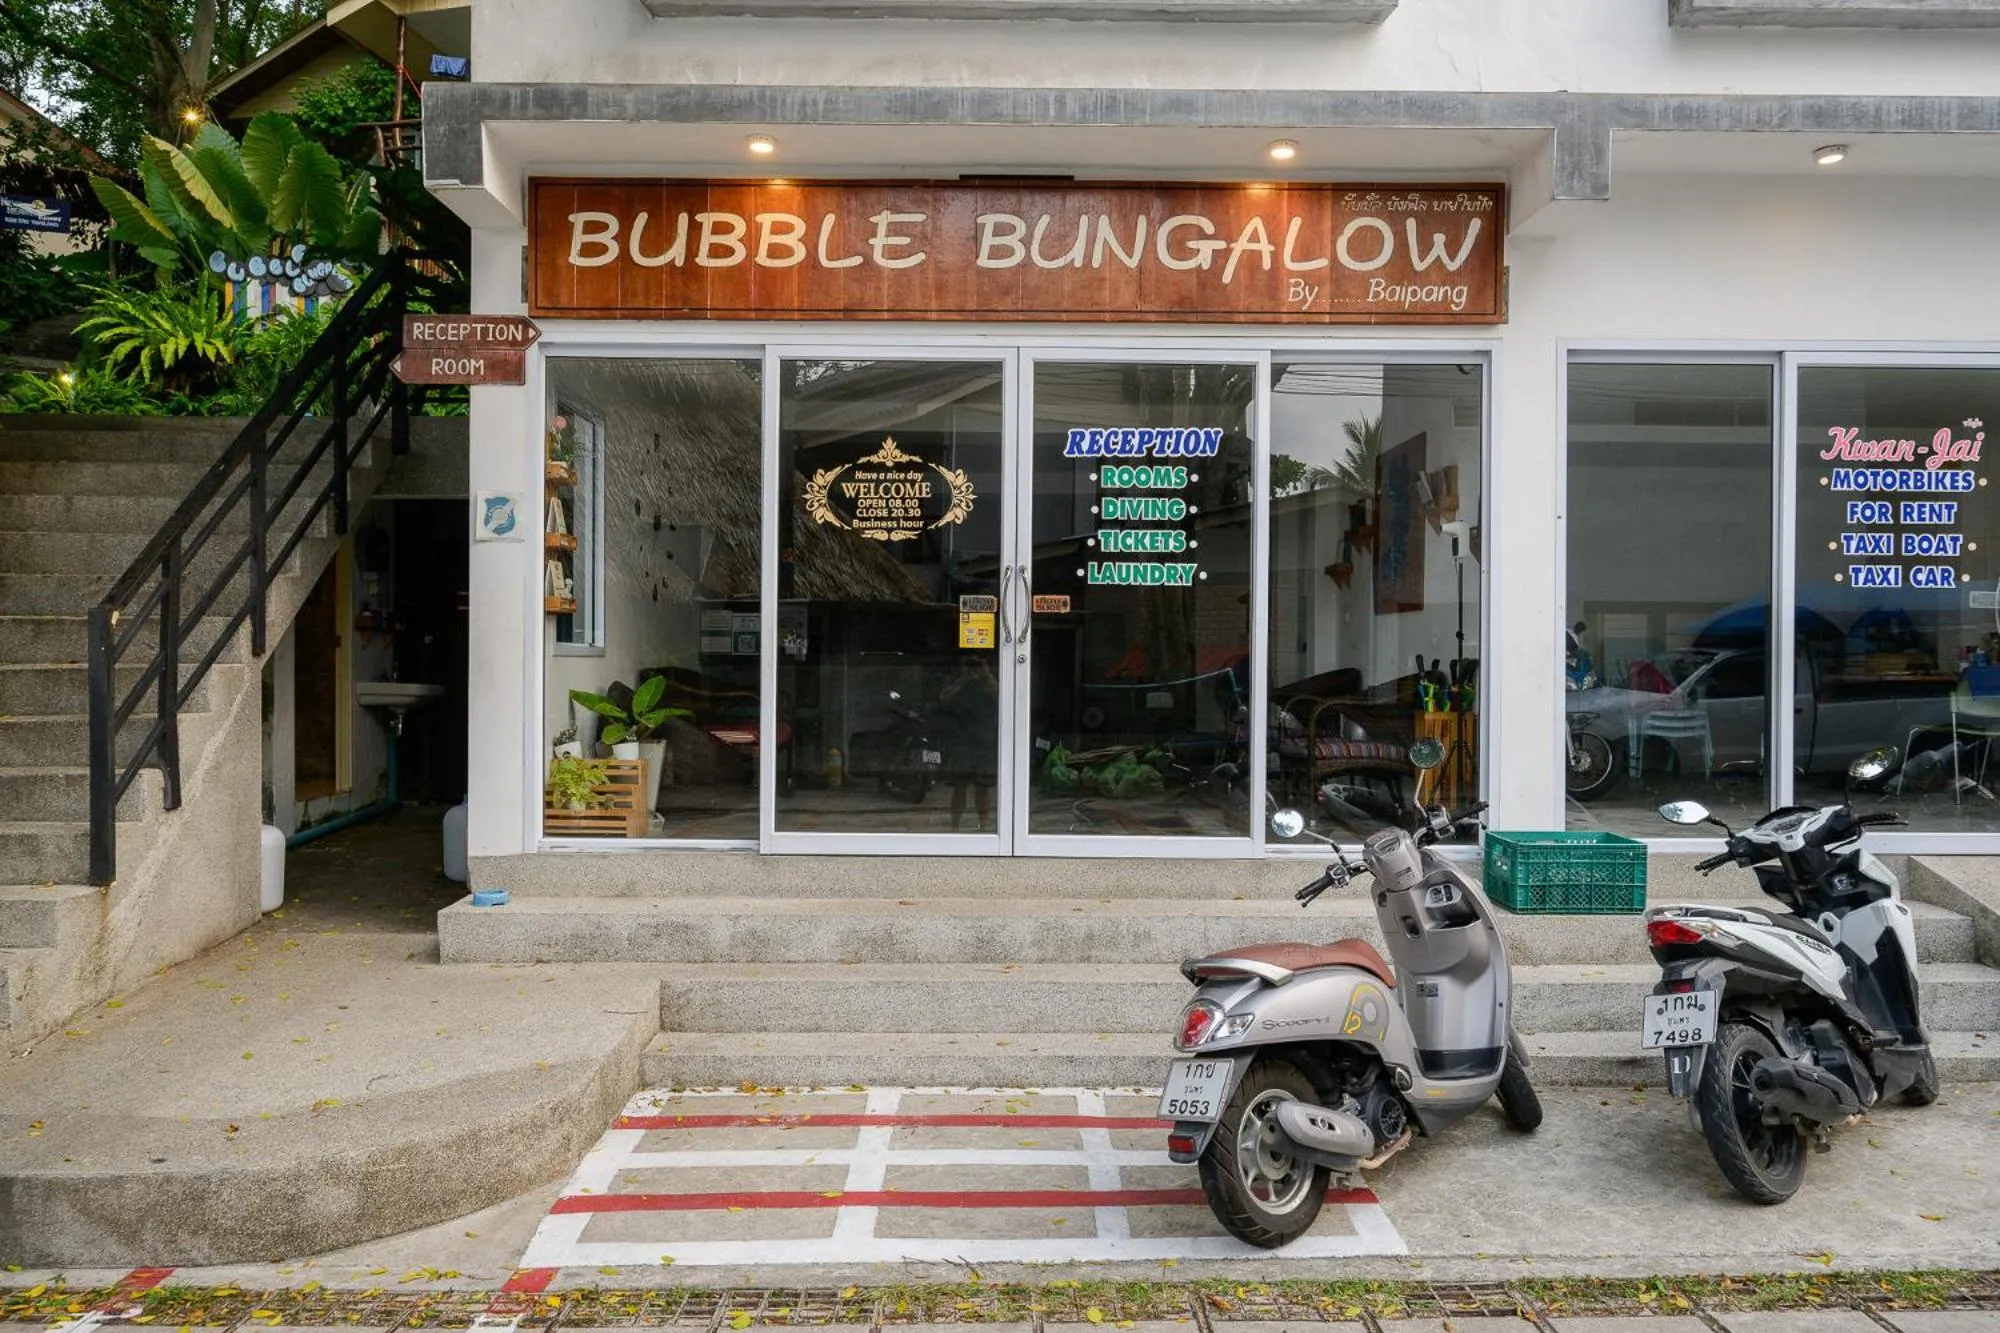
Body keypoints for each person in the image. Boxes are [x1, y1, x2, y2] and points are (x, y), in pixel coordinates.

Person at [940, 652, 999, 830]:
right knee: (959, 786)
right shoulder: (956, 680)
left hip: (984, 738)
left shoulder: (989, 681)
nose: (974, 667)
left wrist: (987, 674)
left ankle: (984, 826)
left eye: (977, 663)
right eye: (970, 664)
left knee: (983, 786)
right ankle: (955, 827)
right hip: (961, 738)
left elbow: (1002, 697)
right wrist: (963, 679)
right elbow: (943, 699)